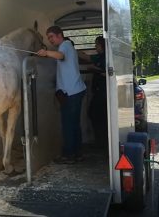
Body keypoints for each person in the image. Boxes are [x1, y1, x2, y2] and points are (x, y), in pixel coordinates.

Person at [37, 26, 86, 163]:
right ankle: (77, 153)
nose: (50, 40)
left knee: (68, 125)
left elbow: (60, 56)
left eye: (51, 36)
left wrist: (46, 53)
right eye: (48, 38)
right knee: (74, 124)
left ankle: (69, 155)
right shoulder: (67, 46)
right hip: (76, 91)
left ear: (59, 35)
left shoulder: (65, 45)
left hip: (71, 93)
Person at [78, 36, 107, 148]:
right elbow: (88, 58)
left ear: (101, 45)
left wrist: (94, 69)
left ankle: (102, 141)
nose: (95, 47)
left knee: (95, 114)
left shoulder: (104, 57)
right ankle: (100, 140)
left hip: (103, 93)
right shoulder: (100, 56)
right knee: (95, 114)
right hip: (99, 92)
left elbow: (105, 71)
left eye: (97, 45)